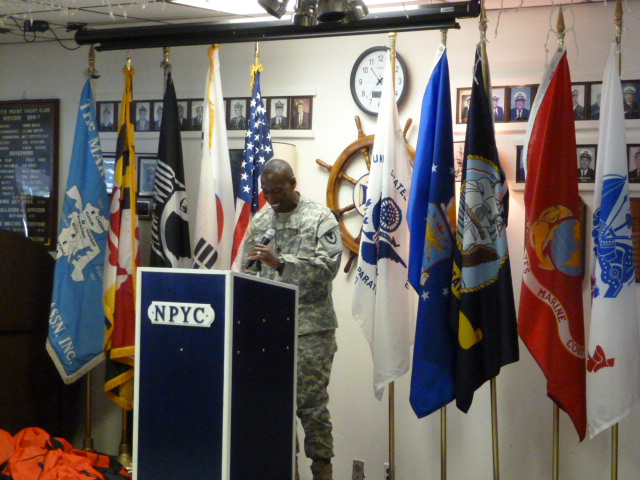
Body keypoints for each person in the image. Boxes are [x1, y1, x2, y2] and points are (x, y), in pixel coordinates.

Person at [243, 159, 343, 480]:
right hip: (272, 330)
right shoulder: (261, 221)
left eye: (278, 190)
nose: (272, 198)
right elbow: (249, 271)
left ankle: (321, 471)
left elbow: (328, 269)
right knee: (276, 409)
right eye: (266, 192)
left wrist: (281, 262)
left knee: (310, 407)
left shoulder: (319, 218)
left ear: (294, 183)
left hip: (311, 329)